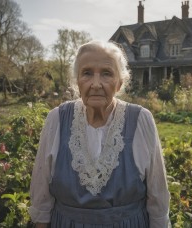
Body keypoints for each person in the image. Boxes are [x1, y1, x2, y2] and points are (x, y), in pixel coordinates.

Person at [29, 40, 170, 227]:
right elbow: (41, 196)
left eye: (106, 74)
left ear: (119, 83)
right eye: (87, 73)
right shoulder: (57, 119)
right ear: (76, 81)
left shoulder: (141, 120)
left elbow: (158, 196)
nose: (96, 84)